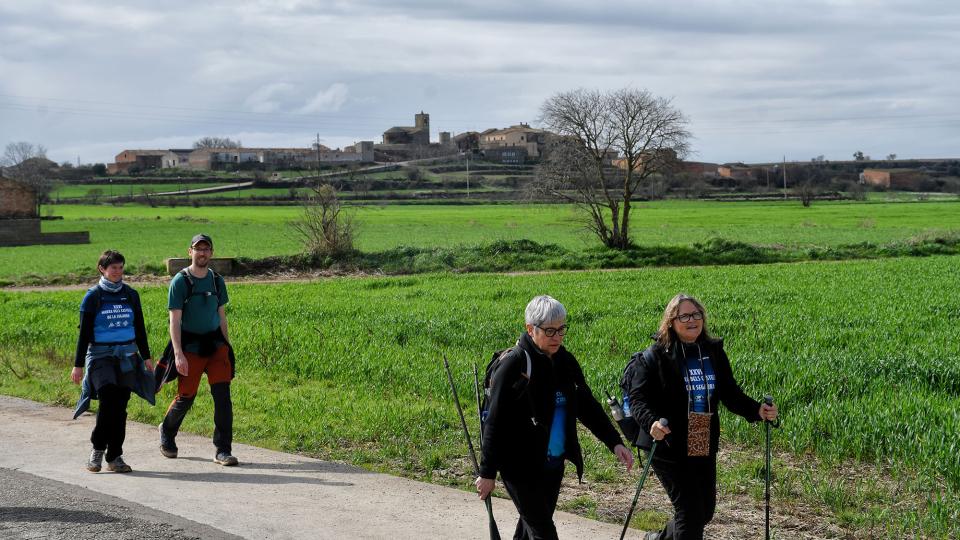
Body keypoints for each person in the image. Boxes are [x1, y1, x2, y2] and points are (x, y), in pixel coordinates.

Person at [476, 295, 634, 540]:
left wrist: (614, 442)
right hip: (518, 465)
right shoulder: (514, 365)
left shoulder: (565, 362)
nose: (557, 337)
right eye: (550, 331)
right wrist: (487, 472)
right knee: (544, 533)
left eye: (561, 329)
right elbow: (494, 421)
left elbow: (587, 406)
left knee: (532, 530)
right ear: (530, 329)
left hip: (552, 463)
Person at [625, 293, 778, 540]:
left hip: (701, 432)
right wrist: (651, 422)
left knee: (704, 511)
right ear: (671, 322)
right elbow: (637, 399)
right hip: (667, 440)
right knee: (690, 513)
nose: (692, 320)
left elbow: (730, 393)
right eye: (684, 316)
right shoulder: (656, 355)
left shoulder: (712, 351)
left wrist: (757, 410)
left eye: (696, 314)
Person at [158, 233, 238, 466]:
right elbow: (174, 320)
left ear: (211, 252)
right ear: (190, 252)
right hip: (190, 346)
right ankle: (167, 431)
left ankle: (223, 450)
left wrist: (226, 347)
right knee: (186, 397)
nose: (202, 253)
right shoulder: (180, 281)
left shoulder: (217, 281)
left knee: (223, 399)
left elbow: (221, 317)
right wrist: (178, 354)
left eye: (206, 249)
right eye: (198, 249)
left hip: (215, 346)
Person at [71, 250, 154, 473]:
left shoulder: (131, 295)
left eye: (120, 267)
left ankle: (115, 456)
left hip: (127, 356)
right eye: (113, 268)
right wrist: (78, 365)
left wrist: (146, 357)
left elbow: (139, 328)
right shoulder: (93, 297)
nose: (117, 271)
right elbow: (84, 334)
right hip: (101, 357)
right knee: (108, 399)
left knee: (120, 405)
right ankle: (98, 449)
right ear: (102, 269)